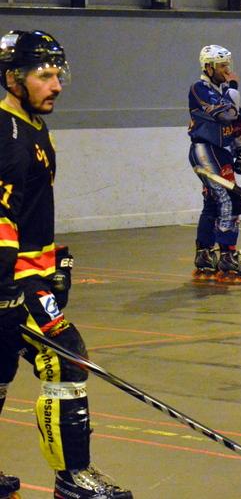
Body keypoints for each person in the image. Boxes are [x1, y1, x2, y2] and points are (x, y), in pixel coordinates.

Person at [0, 30, 131, 498]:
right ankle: (73, 478)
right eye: (44, 75)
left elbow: (29, 210)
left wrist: (54, 259)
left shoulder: (33, 125)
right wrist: (5, 289)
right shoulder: (8, 133)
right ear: (12, 79)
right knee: (66, 359)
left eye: (58, 74)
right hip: (13, 279)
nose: (56, 85)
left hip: (27, 272)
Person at [188, 44, 241, 282]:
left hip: (222, 151)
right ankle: (227, 254)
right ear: (208, 67)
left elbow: (238, 123)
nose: (227, 71)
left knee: (213, 201)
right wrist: (233, 90)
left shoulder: (226, 92)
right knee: (228, 198)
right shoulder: (199, 89)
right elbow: (226, 115)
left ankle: (204, 253)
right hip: (205, 150)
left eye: (228, 65)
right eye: (221, 66)